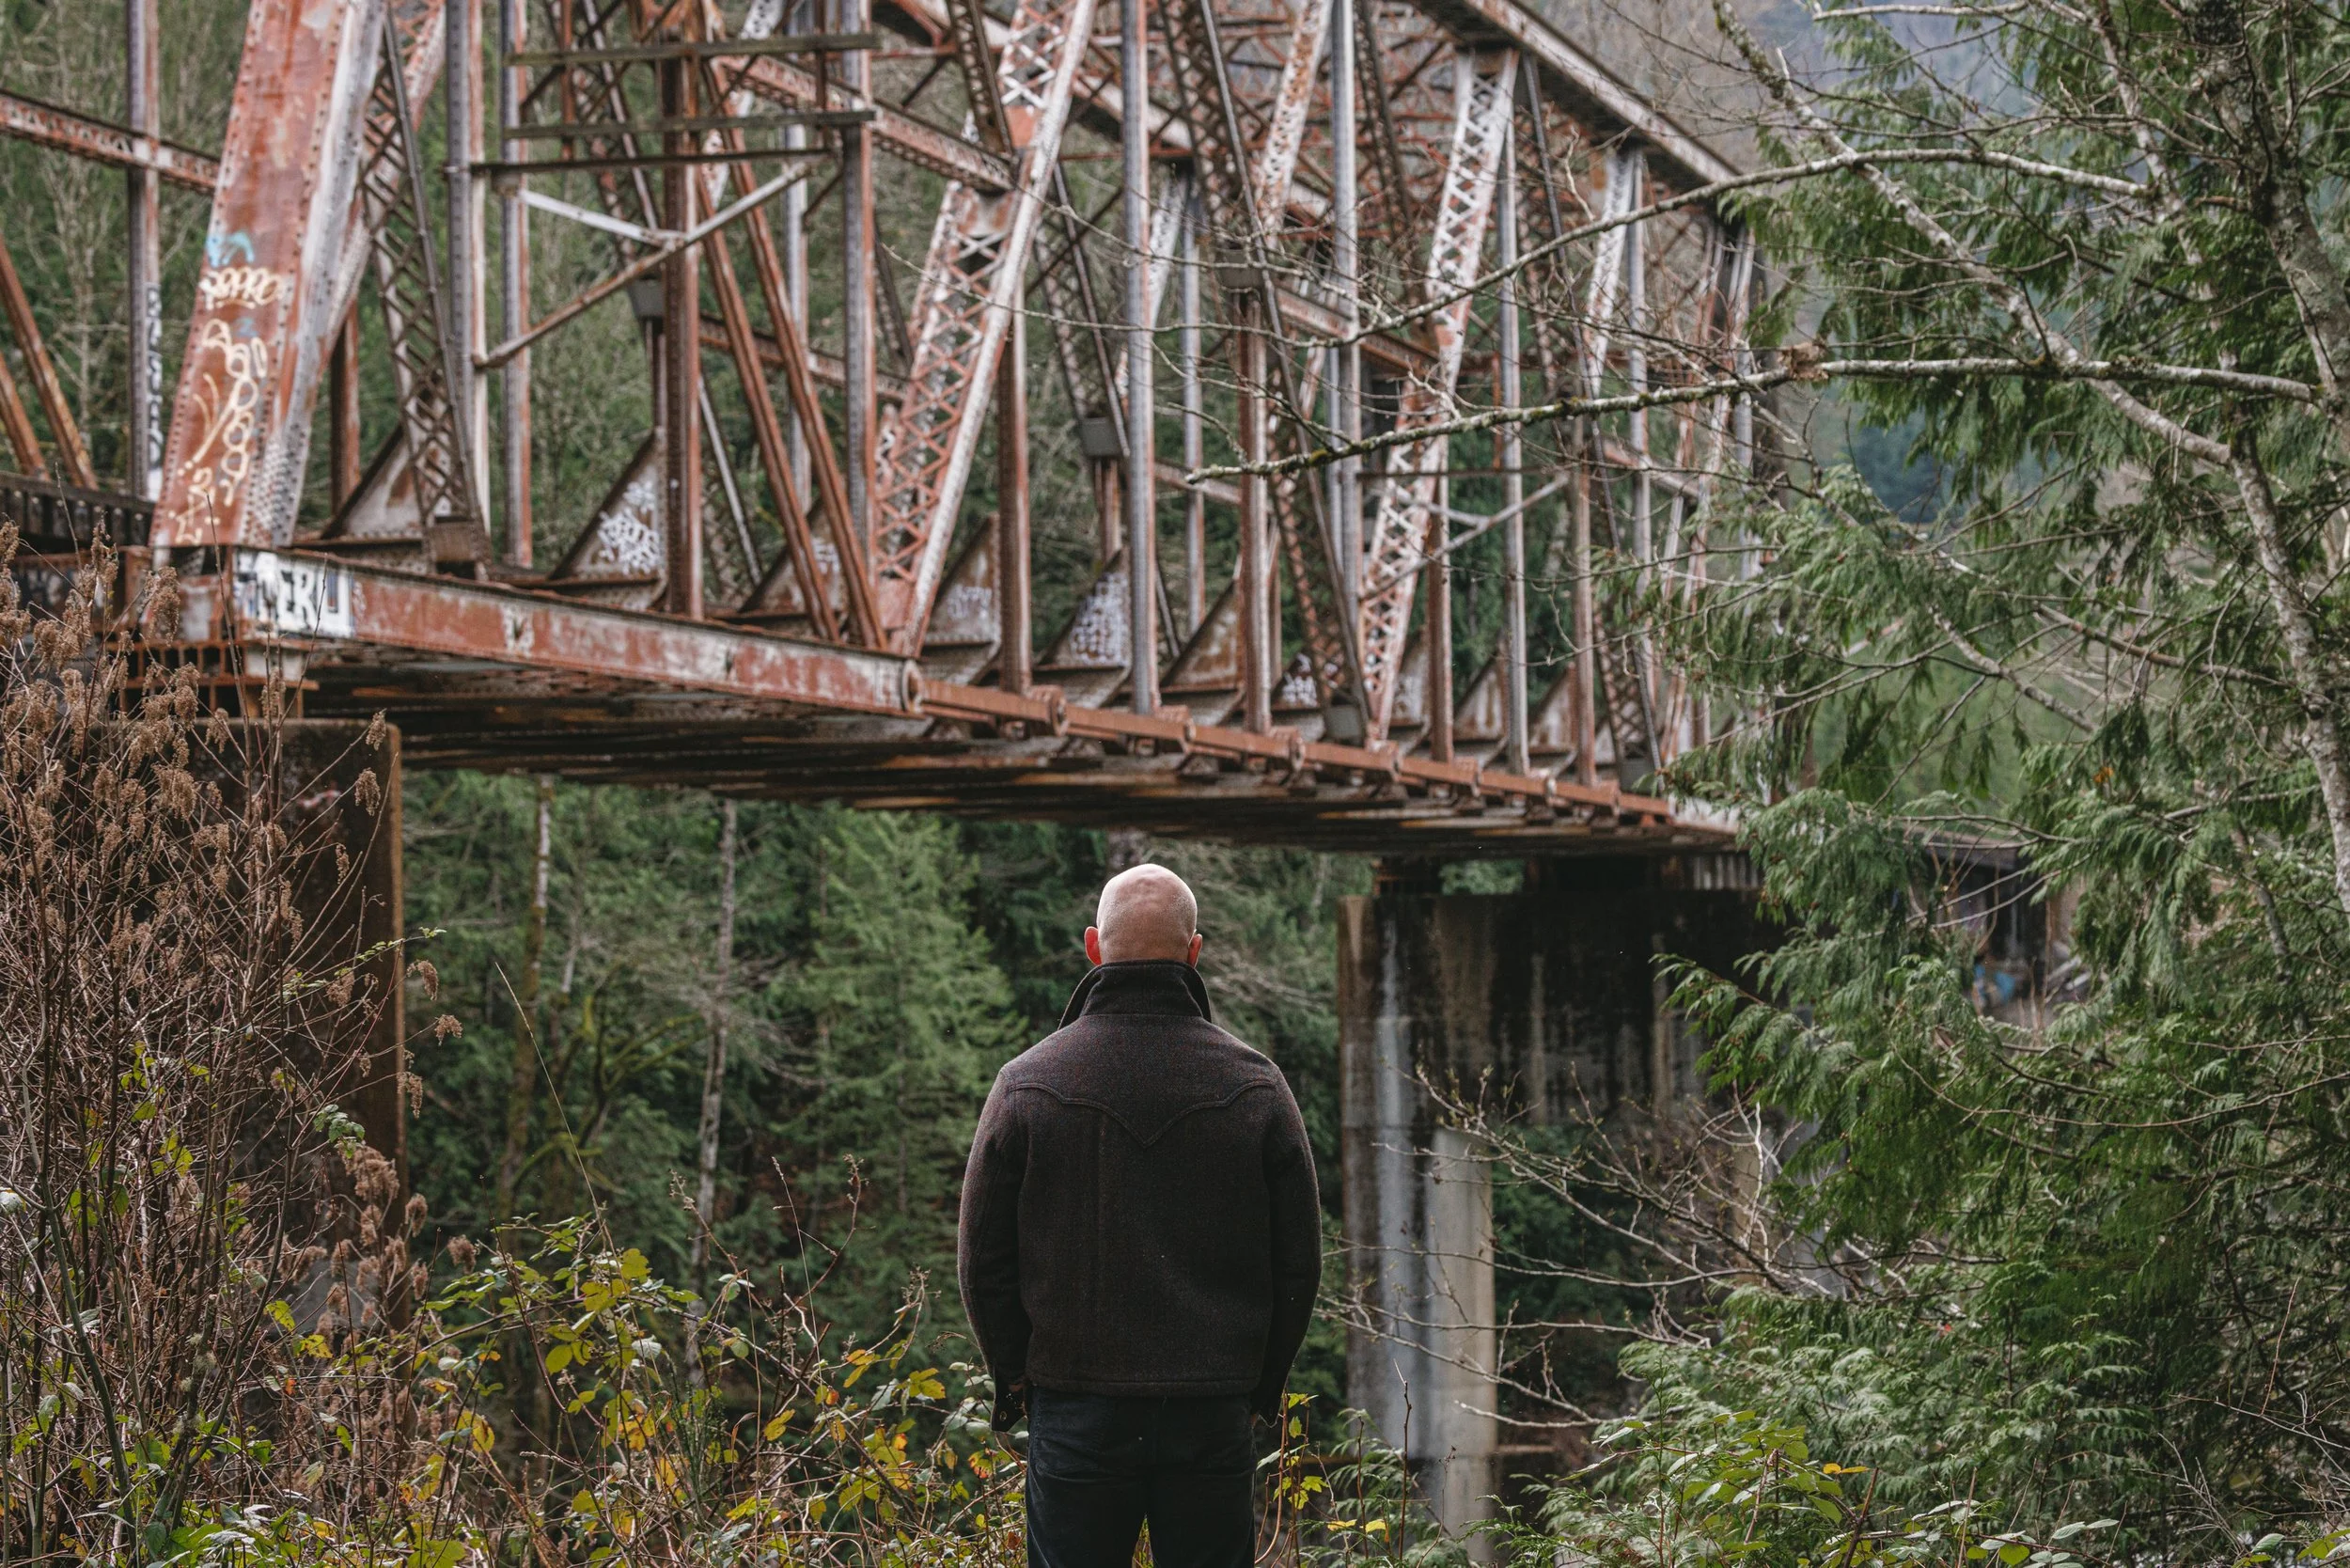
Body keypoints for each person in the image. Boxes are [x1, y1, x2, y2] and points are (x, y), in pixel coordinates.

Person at [958, 863, 1322, 1568]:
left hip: (1077, 1406)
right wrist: (1258, 1388)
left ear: (1093, 948)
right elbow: (1298, 1264)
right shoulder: (1256, 1086)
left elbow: (983, 1264)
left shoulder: (1027, 1083)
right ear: (1194, 952)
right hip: (1211, 1408)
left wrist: (1020, 1380)